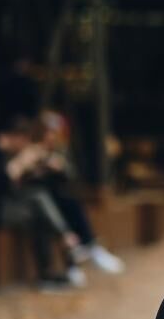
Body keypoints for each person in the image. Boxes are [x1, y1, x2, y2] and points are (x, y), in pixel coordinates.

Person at [0, 117, 87, 291]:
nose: (24, 146)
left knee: (40, 208)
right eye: (24, 141)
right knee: (38, 201)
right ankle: (64, 242)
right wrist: (21, 164)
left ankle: (50, 270)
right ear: (16, 137)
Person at [21, 110, 125, 274]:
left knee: (68, 201)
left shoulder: (57, 152)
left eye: (55, 133)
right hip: (34, 204)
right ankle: (82, 253)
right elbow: (22, 178)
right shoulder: (29, 151)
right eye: (49, 132)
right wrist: (37, 167)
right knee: (60, 208)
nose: (53, 137)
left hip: (55, 202)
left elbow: (70, 175)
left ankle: (84, 253)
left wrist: (58, 166)